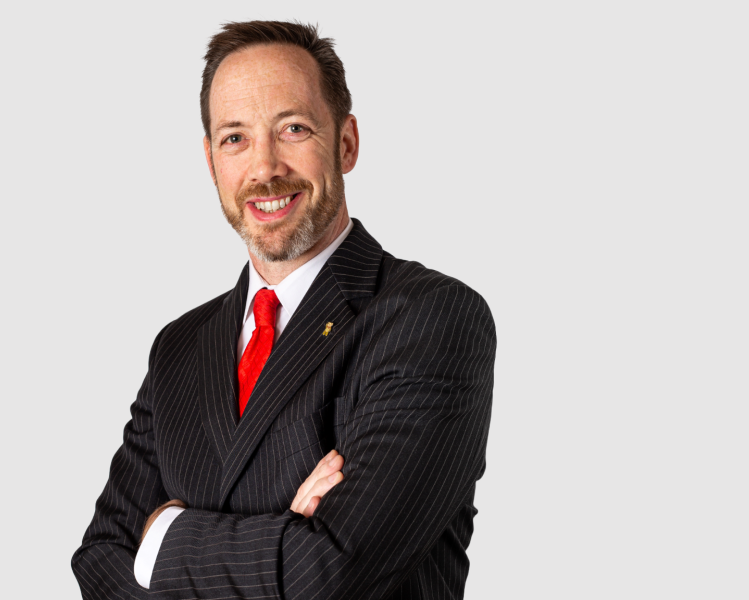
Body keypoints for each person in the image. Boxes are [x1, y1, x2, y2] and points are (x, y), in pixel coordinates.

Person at [72, 20, 496, 600]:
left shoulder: (432, 319)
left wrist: (164, 535)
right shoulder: (178, 347)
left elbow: (330, 573)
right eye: (235, 138)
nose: (265, 167)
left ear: (346, 143)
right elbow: (98, 561)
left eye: (292, 129)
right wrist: (286, 530)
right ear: (210, 159)